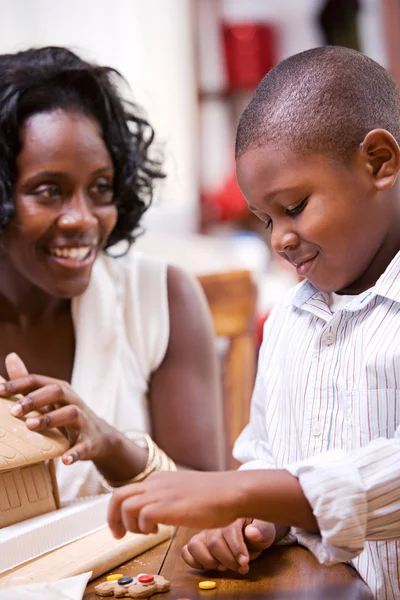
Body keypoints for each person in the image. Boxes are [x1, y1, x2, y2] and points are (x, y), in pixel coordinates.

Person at [107, 46, 400, 599]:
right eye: (265, 219)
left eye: (294, 207)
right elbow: (268, 455)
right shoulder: (289, 320)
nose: (279, 240)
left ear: (379, 163)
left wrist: (236, 493)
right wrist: (259, 519)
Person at [0, 46, 225, 503]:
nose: (83, 218)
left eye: (101, 188)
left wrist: (110, 445)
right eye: (49, 191)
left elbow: (213, 498)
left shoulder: (161, 298)